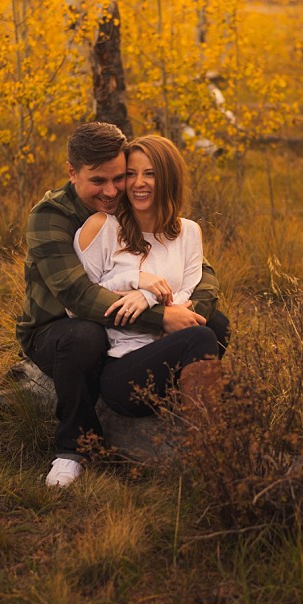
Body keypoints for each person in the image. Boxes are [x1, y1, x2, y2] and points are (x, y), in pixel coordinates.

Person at [16, 122, 229, 487]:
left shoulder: (153, 217)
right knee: (84, 336)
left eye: (120, 177)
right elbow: (79, 296)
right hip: (56, 328)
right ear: (72, 172)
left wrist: (183, 312)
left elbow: (202, 275)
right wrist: (161, 314)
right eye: (99, 181)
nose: (113, 190)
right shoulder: (53, 216)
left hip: (121, 331)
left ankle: (188, 418)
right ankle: (72, 448)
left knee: (215, 324)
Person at [74, 135, 224, 428]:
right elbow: (80, 304)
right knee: (203, 336)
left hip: (169, 353)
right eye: (131, 174)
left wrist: (149, 297)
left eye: (150, 173)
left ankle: (198, 424)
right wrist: (136, 279)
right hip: (123, 368)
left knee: (217, 325)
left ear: (168, 178)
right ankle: (208, 443)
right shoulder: (103, 227)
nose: (138, 183)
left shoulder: (189, 232)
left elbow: (189, 292)